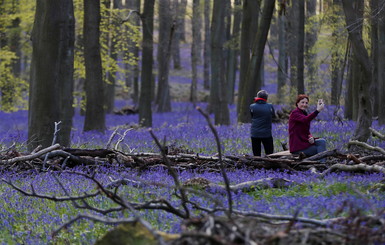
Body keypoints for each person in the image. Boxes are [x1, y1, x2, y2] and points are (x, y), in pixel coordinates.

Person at [288, 94, 326, 159]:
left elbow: (306, 131)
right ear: (297, 103)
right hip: (298, 147)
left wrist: (311, 137)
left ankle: (321, 161)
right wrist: (317, 111)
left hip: (304, 143)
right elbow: (305, 120)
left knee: (322, 141)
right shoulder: (295, 113)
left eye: (306, 103)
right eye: (302, 102)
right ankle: (322, 163)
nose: (304, 104)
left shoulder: (303, 113)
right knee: (320, 149)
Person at [250, 90, 276, 156]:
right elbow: (273, 115)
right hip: (267, 134)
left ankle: (256, 165)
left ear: (257, 97)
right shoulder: (270, 106)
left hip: (255, 134)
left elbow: (252, 115)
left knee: (256, 154)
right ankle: (270, 165)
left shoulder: (252, 106)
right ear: (266, 98)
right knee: (270, 153)